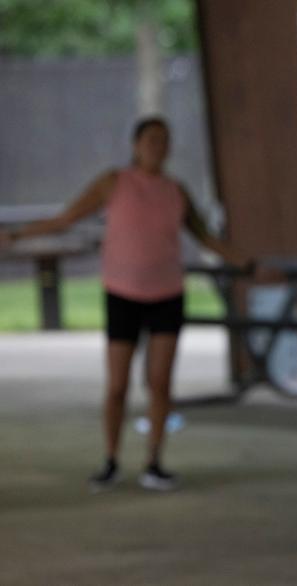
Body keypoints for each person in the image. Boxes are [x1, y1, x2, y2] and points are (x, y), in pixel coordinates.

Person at [0, 117, 261, 492]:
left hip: (167, 295)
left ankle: (154, 462)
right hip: (123, 294)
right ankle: (110, 460)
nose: (158, 146)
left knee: (159, 383)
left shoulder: (176, 191)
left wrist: (248, 264)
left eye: (165, 140)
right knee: (117, 386)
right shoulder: (114, 182)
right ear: (135, 144)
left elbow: (205, 237)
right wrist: (15, 235)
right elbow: (67, 217)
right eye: (152, 139)